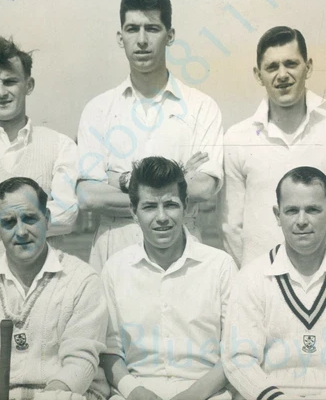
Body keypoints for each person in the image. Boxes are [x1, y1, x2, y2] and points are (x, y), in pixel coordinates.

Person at [76, 0, 223, 272]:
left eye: (152, 29)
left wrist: (121, 179)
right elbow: (88, 196)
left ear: (170, 35)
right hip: (113, 246)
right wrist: (178, 178)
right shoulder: (98, 109)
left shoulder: (201, 106)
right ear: (121, 37)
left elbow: (204, 187)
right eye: (132, 29)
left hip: (184, 248)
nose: (142, 40)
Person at [222, 166, 326, 400]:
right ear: (277, 215)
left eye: (313, 210)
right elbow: (239, 358)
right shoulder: (251, 276)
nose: (301, 221)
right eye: (292, 210)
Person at [221, 26, 326, 266]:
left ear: (308, 67)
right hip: (261, 282)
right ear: (258, 75)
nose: (282, 75)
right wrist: (256, 275)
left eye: (291, 64)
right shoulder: (236, 138)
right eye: (272, 67)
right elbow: (232, 225)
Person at [100, 157, 236, 400]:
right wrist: (134, 390)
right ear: (134, 212)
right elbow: (110, 350)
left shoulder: (220, 266)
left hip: (206, 392)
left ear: (186, 206)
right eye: (150, 206)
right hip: (136, 392)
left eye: (171, 205)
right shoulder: (114, 269)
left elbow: (235, 351)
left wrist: (192, 395)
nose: (161, 217)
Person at [0, 177, 108, 400]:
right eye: (8, 222)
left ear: (47, 219)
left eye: (30, 218)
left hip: (64, 394)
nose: (21, 232)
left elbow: (80, 363)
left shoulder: (82, 280)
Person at [0, 35, 79, 272]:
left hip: (46, 283)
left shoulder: (60, 145)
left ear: (28, 85)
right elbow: (54, 214)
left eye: (10, 82)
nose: (1, 92)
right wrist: (31, 212)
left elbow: (68, 214)